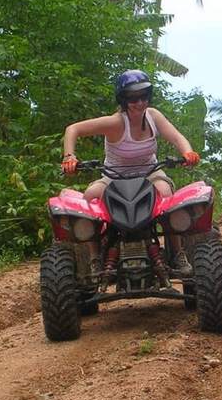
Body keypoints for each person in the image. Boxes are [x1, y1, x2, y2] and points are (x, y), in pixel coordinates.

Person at [61, 69, 200, 289]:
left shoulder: (154, 116)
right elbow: (73, 129)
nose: (140, 102)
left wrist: (188, 152)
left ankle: (178, 253)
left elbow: (176, 136)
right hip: (114, 176)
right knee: (89, 197)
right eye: (133, 98)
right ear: (123, 99)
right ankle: (96, 258)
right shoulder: (115, 122)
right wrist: (69, 157)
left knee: (166, 195)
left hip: (149, 173)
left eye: (144, 96)